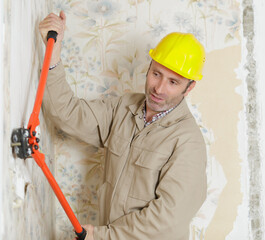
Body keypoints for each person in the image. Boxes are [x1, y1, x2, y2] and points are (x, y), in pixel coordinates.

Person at [39, 11, 207, 240]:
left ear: (189, 88)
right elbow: (67, 114)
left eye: (173, 82)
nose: (159, 88)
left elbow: (168, 220)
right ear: (149, 67)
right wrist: (54, 55)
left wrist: (102, 236)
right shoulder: (124, 108)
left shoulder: (188, 142)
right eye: (156, 74)